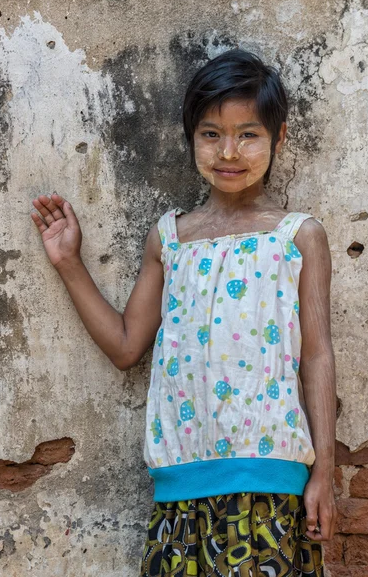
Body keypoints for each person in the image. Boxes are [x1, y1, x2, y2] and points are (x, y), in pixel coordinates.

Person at [31, 49, 337, 576]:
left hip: (270, 485)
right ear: (191, 137)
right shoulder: (170, 238)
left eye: (249, 134)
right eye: (211, 133)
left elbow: (317, 355)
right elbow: (128, 346)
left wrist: (324, 475)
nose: (229, 151)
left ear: (279, 137)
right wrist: (68, 262)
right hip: (180, 490)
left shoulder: (298, 237)